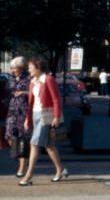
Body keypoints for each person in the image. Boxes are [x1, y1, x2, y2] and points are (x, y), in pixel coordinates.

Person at [19, 56, 68, 186]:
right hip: (35, 114)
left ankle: (28, 175)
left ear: (38, 67)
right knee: (49, 145)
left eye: (30, 68)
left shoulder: (48, 79)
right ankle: (61, 170)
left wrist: (57, 117)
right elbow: (31, 103)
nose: (29, 70)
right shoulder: (32, 81)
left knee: (34, 143)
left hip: (45, 115)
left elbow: (56, 99)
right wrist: (27, 119)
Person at [5, 57, 31, 178]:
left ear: (20, 67)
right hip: (12, 111)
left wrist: (24, 93)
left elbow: (36, 93)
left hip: (23, 111)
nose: (12, 70)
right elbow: (6, 92)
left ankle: (22, 167)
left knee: (22, 140)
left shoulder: (28, 79)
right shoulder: (10, 78)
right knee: (9, 137)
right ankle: (21, 157)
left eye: (13, 68)